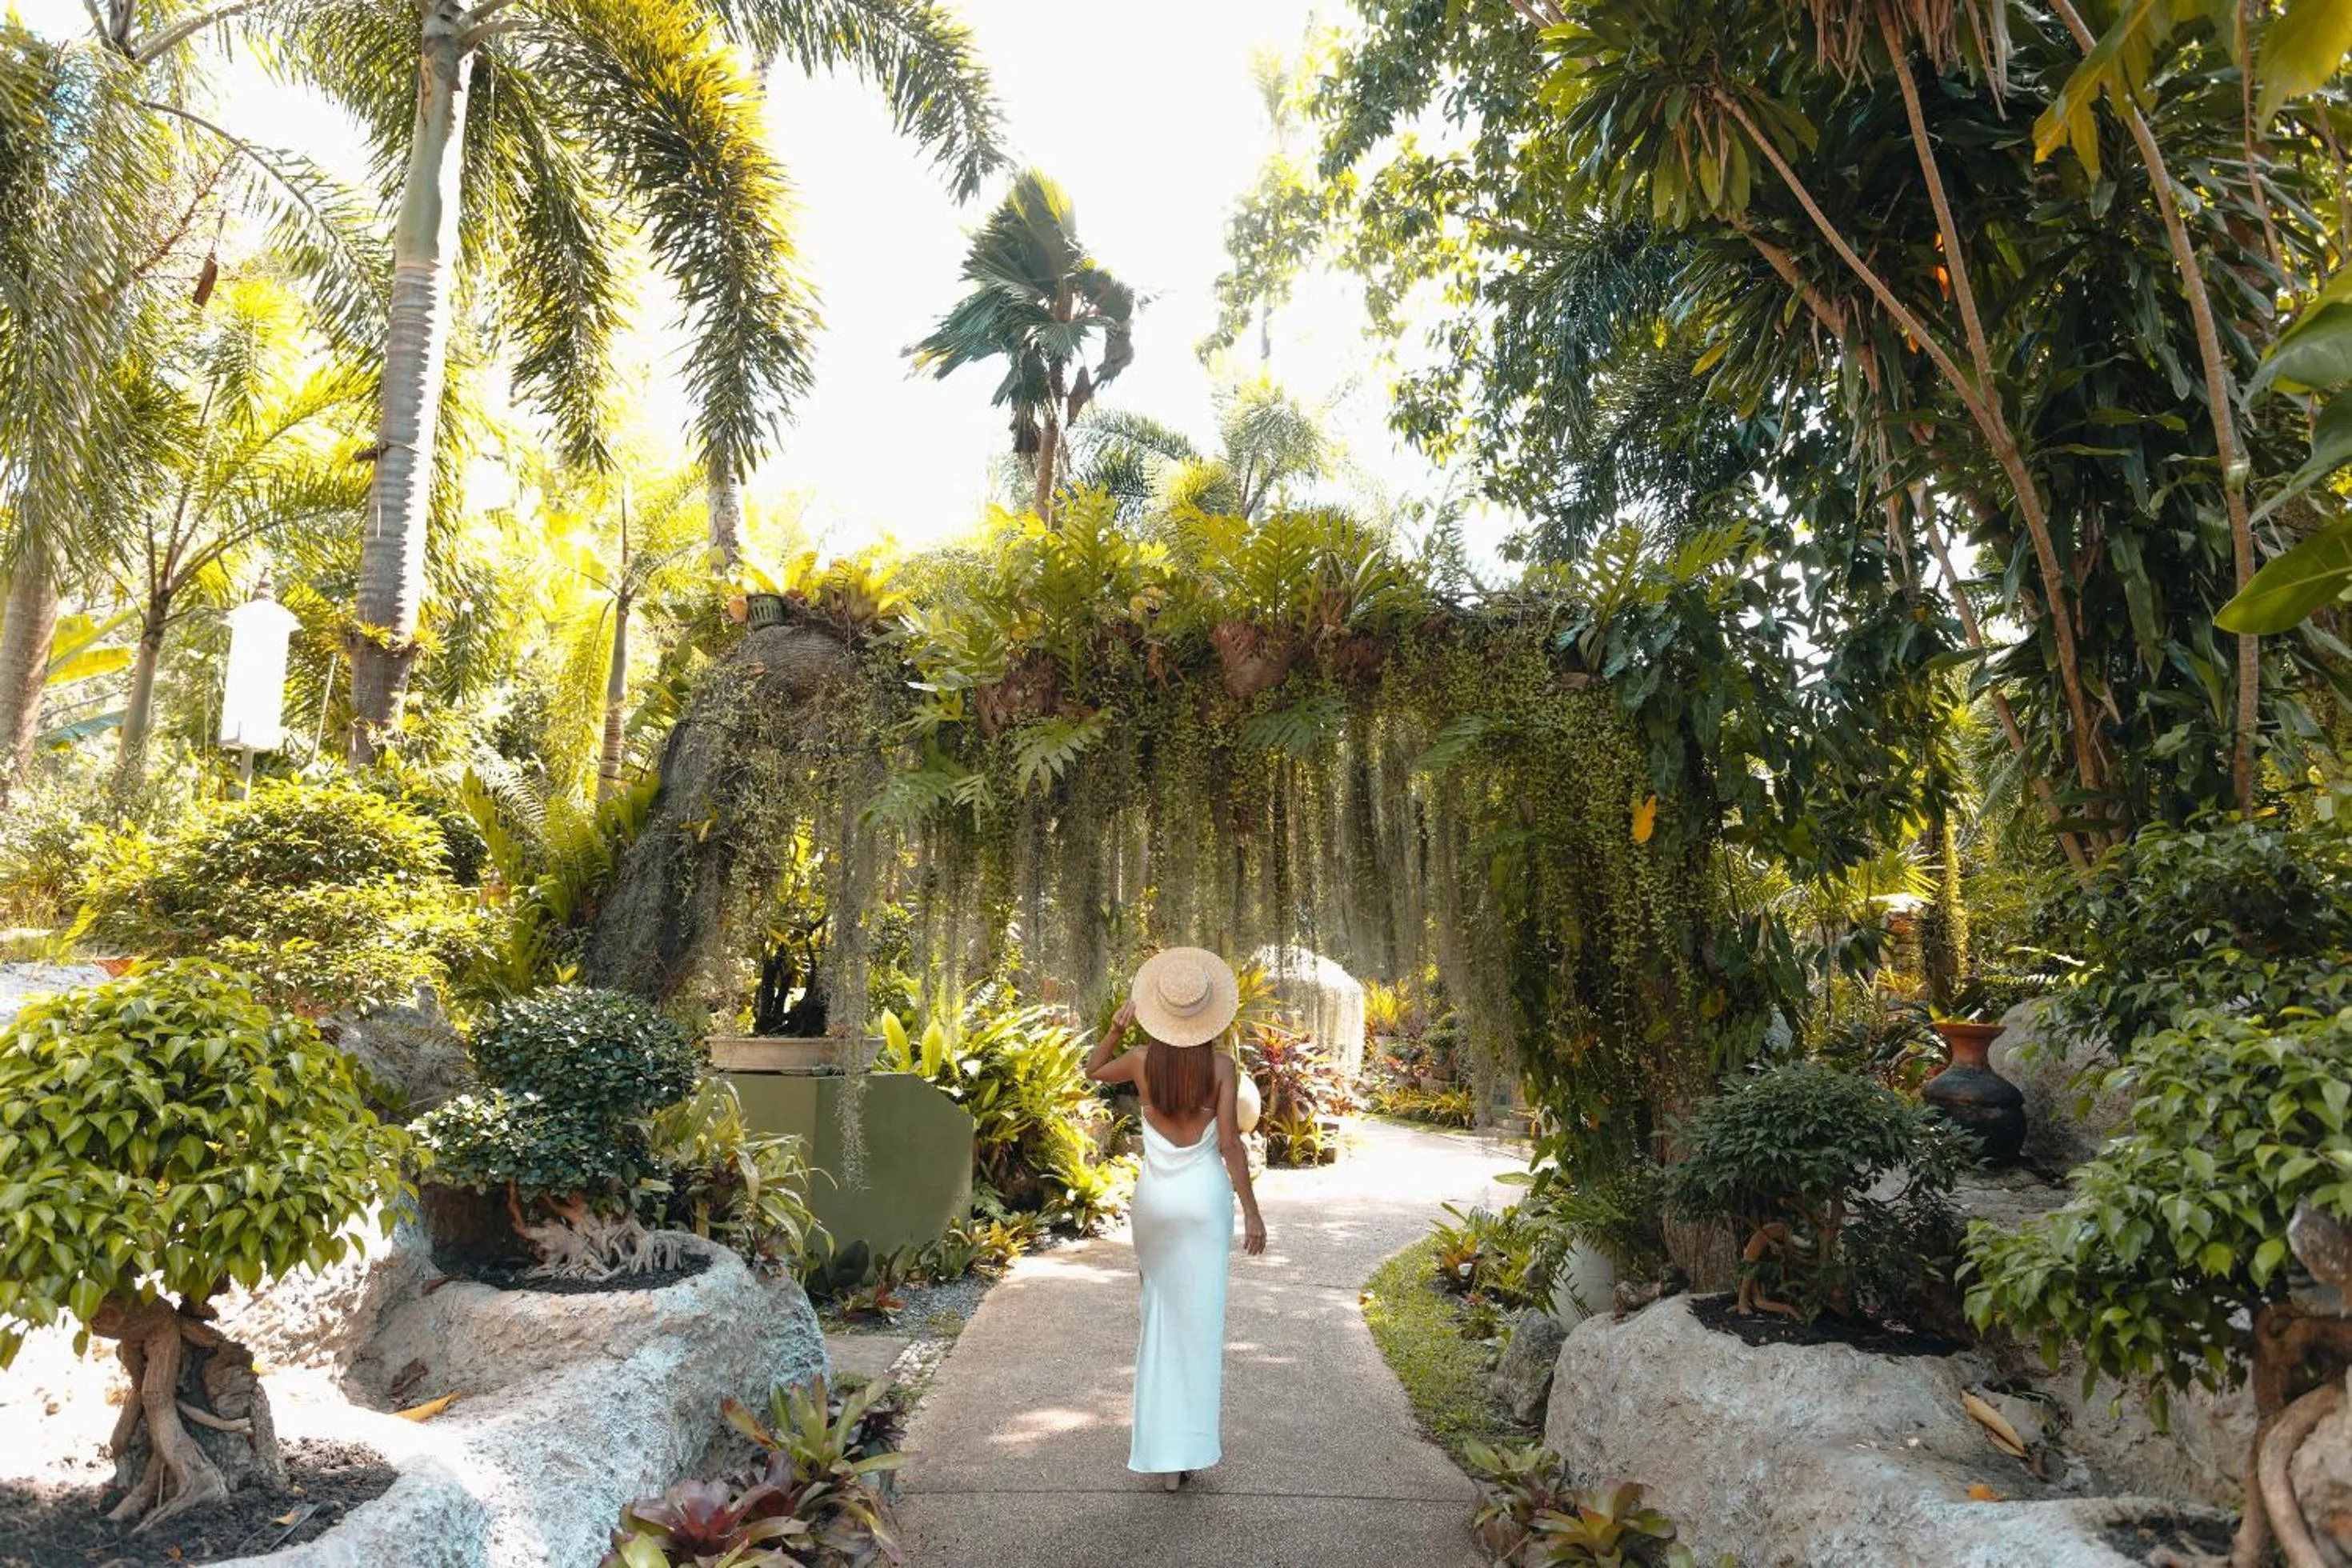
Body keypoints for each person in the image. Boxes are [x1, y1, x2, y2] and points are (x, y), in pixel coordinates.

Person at [1085, 946, 1268, 1492]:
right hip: (1204, 1204)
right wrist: (1252, 1214)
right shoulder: (1221, 1068)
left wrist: (1118, 1027)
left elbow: (1093, 1069)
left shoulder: (1142, 1061)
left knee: (1157, 1322)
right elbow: (1231, 1146)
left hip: (1155, 1206)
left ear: (1158, 1013)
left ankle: (1162, 1455)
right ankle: (1184, 1452)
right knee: (1199, 1330)